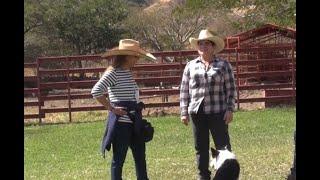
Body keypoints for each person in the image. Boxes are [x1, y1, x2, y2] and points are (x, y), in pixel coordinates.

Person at [91, 39, 156, 180]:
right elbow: (96, 91)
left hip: (135, 122)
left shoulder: (127, 73)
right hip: (121, 124)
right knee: (118, 160)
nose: (137, 59)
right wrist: (111, 108)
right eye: (135, 56)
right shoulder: (113, 73)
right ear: (127, 56)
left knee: (140, 158)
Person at [180, 29, 237, 180]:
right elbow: (184, 90)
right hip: (197, 113)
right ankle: (203, 176)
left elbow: (231, 90)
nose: (203, 46)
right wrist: (183, 112)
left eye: (207, 43)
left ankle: (226, 175)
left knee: (223, 146)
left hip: (218, 111)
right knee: (201, 148)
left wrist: (230, 109)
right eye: (200, 43)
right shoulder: (190, 66)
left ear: (213, 46)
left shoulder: (224, 65)